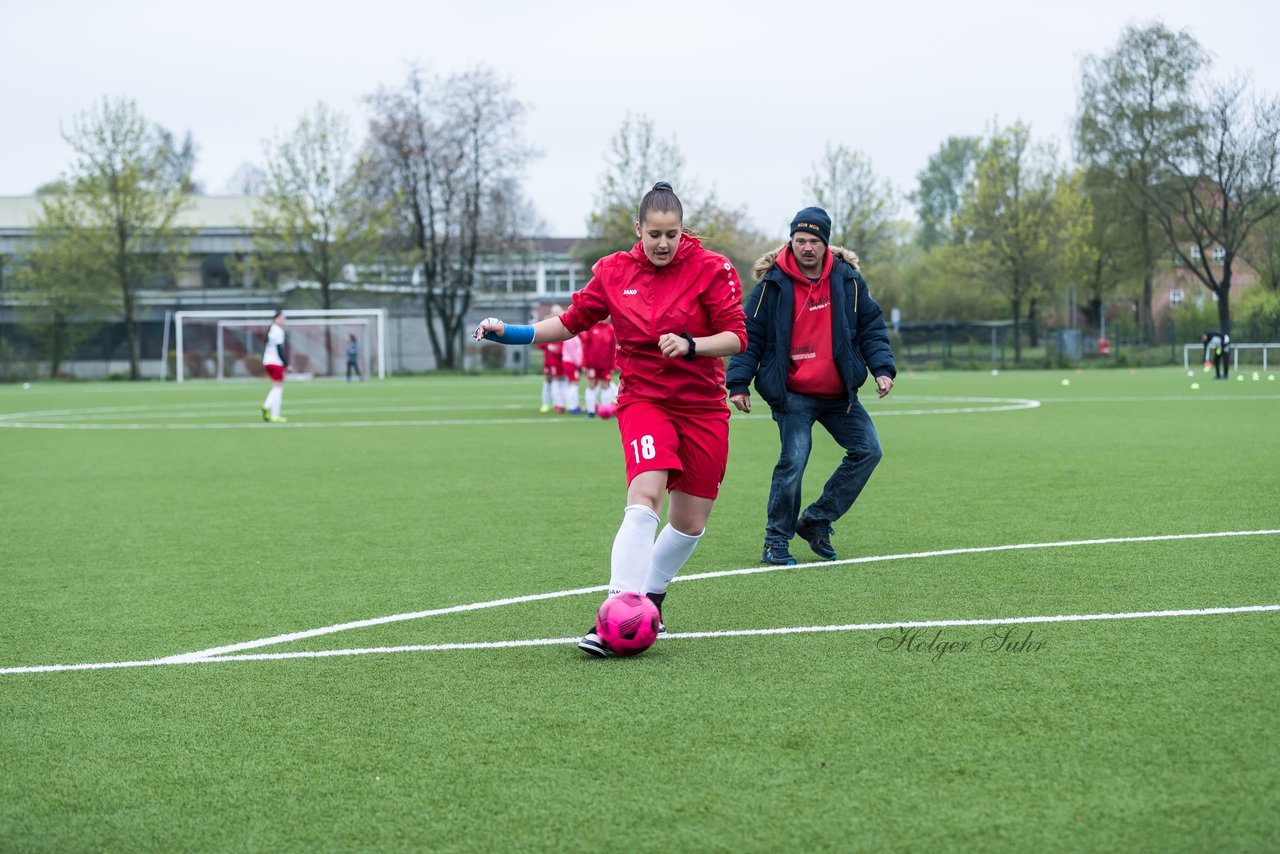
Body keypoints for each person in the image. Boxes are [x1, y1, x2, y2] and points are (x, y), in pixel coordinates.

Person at [474, 182, 747, 656]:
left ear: (683, 232)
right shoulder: (614, 271)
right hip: (645, 399)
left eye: (672, 235)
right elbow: (571, 321)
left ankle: (652, 600)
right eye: (654, 234)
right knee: (645, 495)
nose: (663, 244)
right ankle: (616, 611)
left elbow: (737, 336)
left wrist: (690, 345)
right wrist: (511, 333)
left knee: (690, 523)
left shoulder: (712, 269)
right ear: (638, 229)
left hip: (702, 406)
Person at [726, 207, 895, 565]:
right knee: (794, 460)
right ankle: (775, 540)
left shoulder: (847, 281)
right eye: (800, 240)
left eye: (814, 241)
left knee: (869, 450)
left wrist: (882, 367)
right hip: (792, 392)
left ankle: (817, 519)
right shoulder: (772, 284)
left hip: (838, 393)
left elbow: (871, 326)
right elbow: (749, 334)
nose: (806, 247)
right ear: (791, 241)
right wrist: (738, 382)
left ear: (825, 244)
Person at [583, 318, 618, 417]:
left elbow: (612, 349)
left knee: (605, 386)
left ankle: (606, 410)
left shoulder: (610, 329)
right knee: (591, 385)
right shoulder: (591, 328)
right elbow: (586, 346)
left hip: (605, 364)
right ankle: (590, 411)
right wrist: (585, 363)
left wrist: (612, 365)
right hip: (592, 364)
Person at [261, 310, 289, 423]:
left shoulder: (271, 330)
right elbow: (279, 349)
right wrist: (287, 363)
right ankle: (267, 406)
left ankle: (274, 414)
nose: (284, 321)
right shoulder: (278, 331)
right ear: (275, 319)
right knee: (278, 388)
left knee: (277, 387)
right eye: (282, 318)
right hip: (275, 362)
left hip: (267, 361)